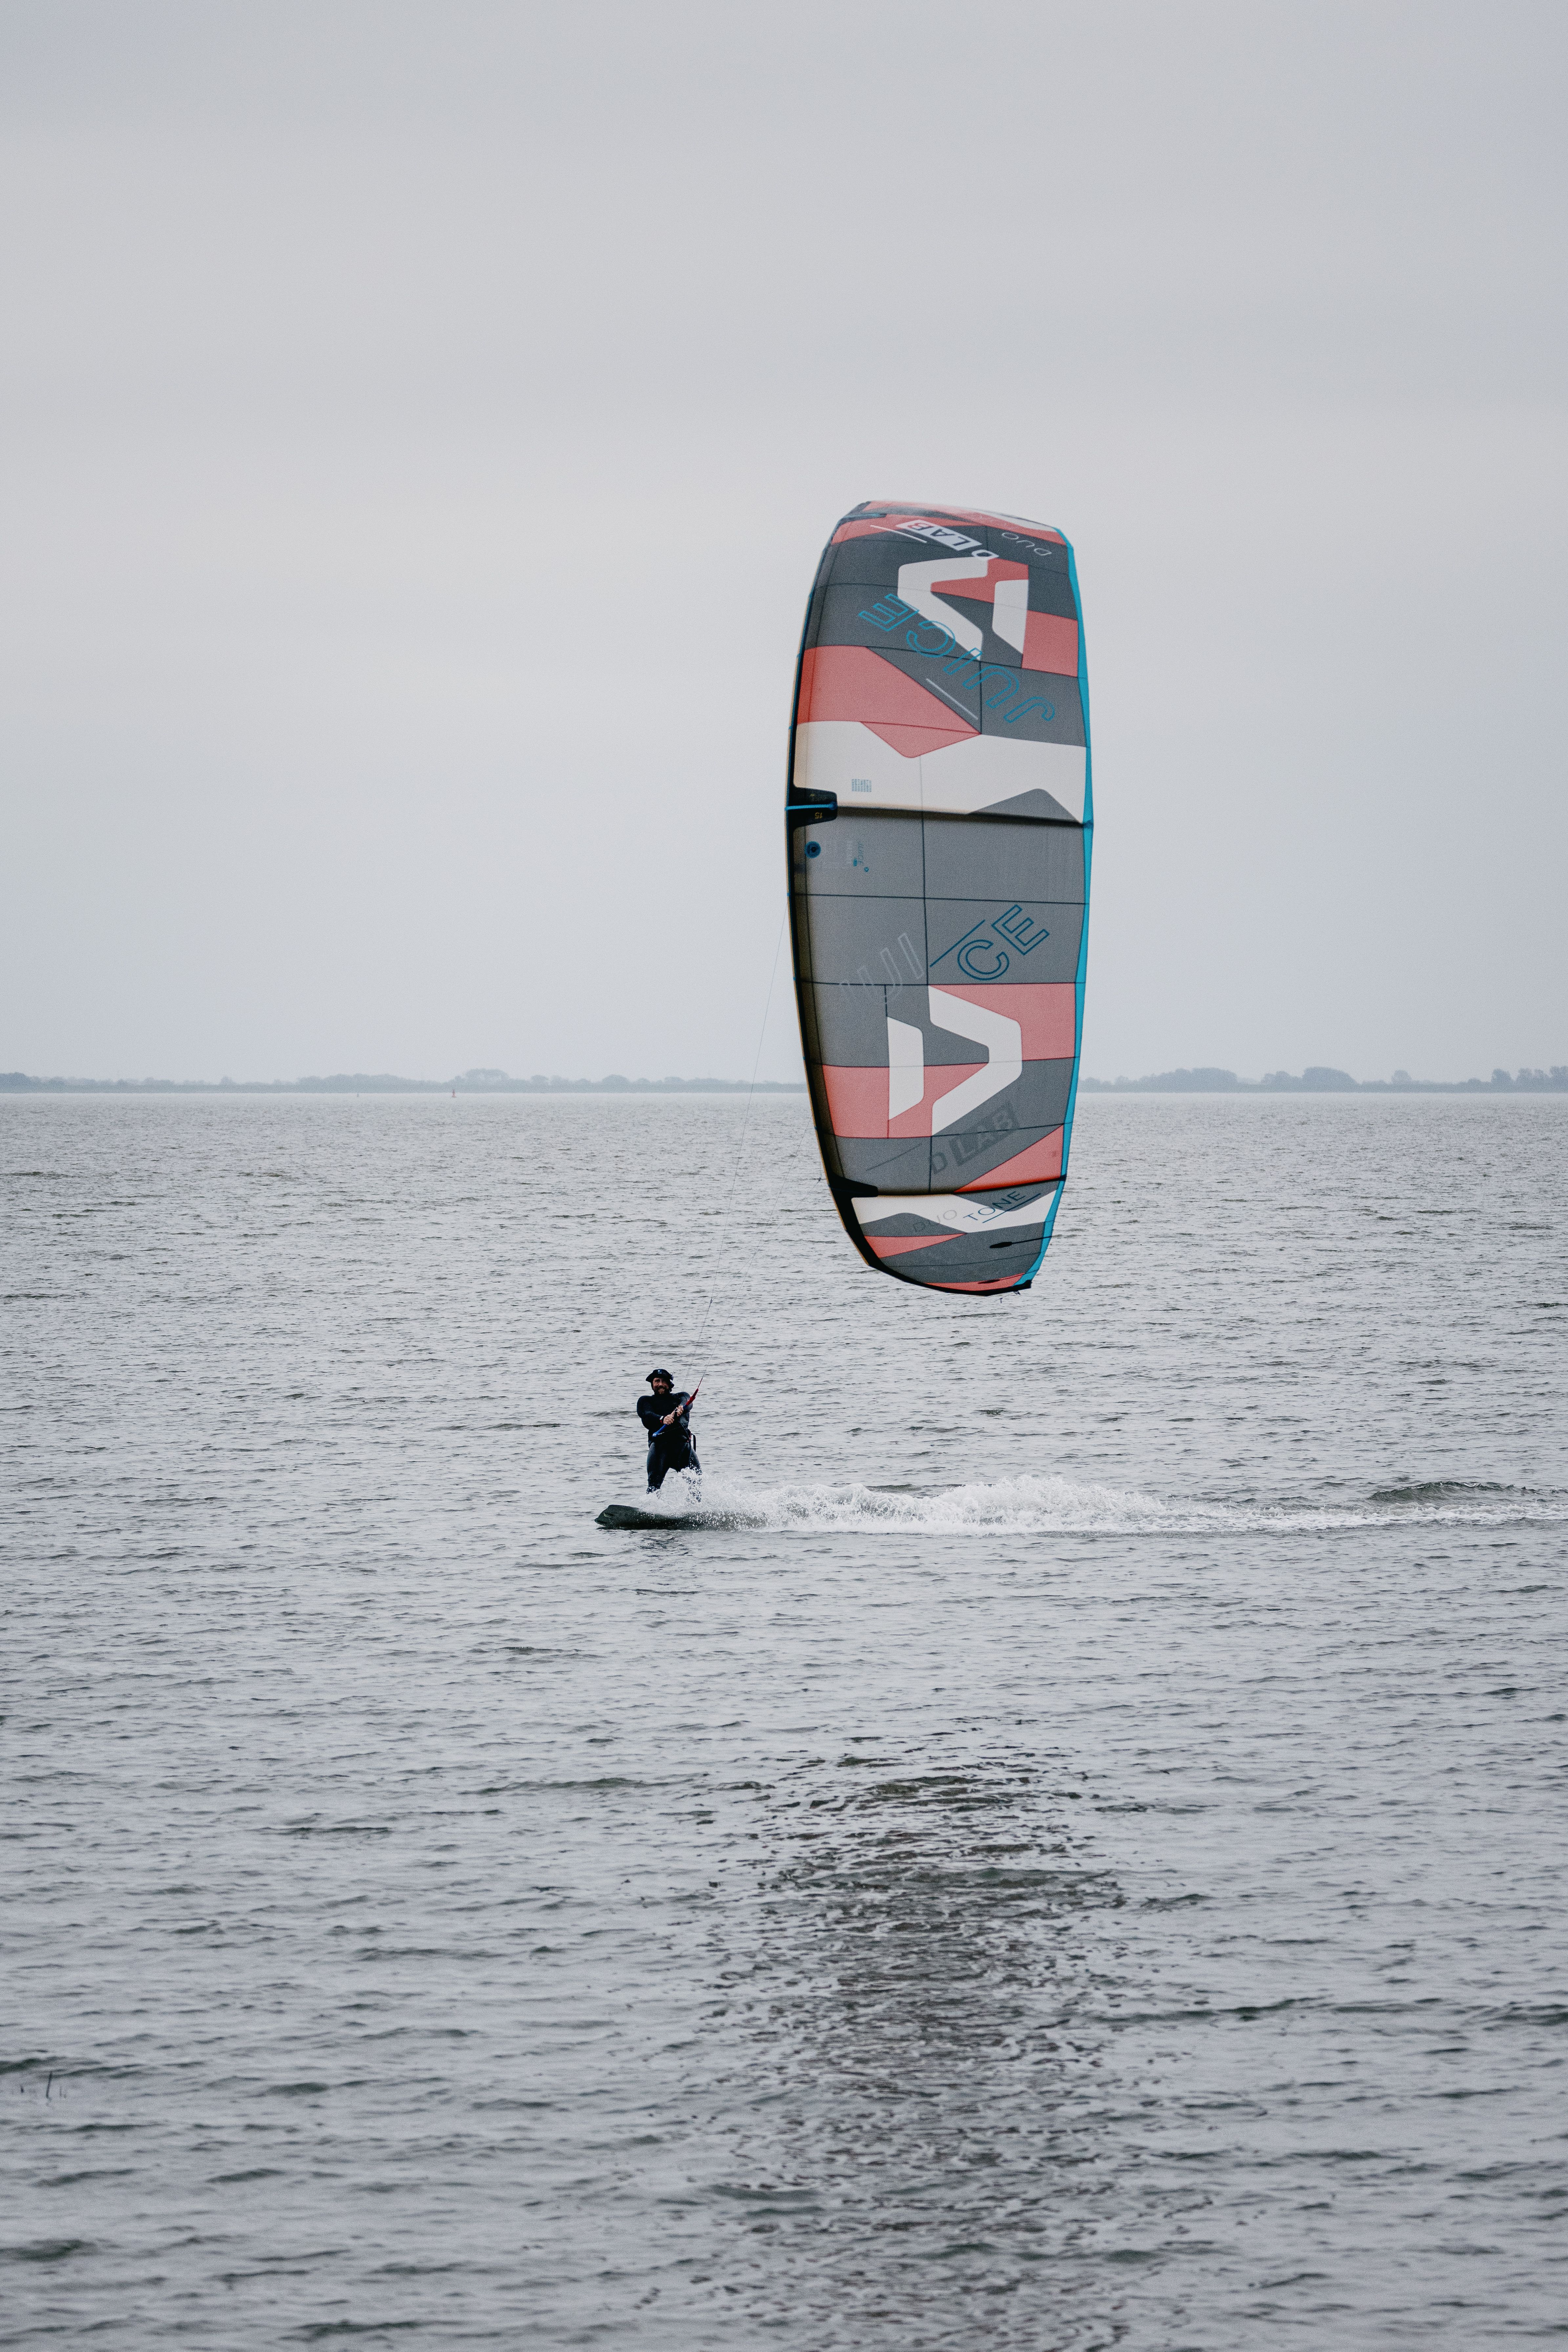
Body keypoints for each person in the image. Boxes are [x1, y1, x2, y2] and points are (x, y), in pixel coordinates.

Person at [637, 1368, 700, 1494]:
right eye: (657, 1381)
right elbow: (646, 1413)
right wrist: (663, 1419)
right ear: (652, 1384)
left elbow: (688, 1401)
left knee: (696, 1482)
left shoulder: (680, 1397)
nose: (660, 1384)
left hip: (682, 1447)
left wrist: (682, 1407)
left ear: (670, 1384)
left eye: (664, 1381)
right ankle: (651, 1509)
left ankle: (696, 1509)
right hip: (660, 1448)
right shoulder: (646, 1401)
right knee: (654, 1485)